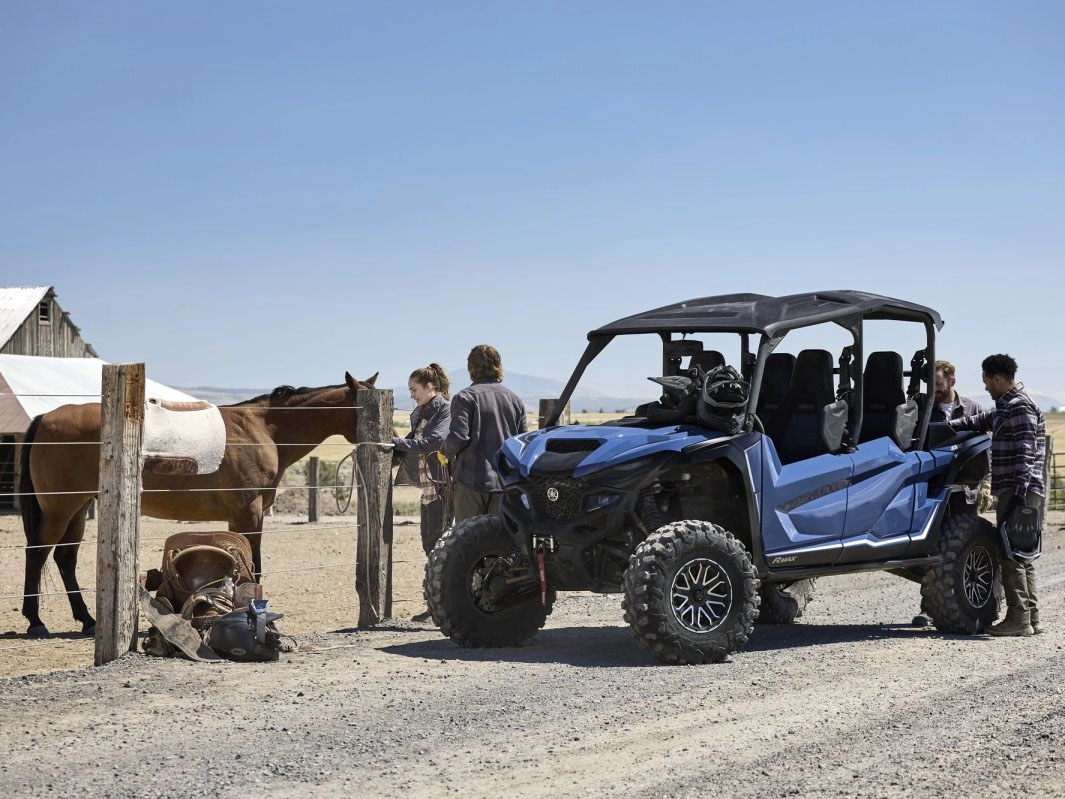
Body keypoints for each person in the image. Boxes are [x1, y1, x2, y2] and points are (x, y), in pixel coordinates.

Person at [945, 354, 1046, 636]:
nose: (986, 388)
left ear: (997, 378)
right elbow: (979, 420)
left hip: (1020, 491)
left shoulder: (1019, 407)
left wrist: (1016, 493)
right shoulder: (1006, 407)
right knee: (1022, 552)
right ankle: (1031, 618)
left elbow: (1027, 452)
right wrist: (944, 428)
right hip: (1020, 489)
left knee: (1010, 554)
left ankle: (1019, 620)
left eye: (987, 382)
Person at [911, 359, 992, 627]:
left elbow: (985, 449)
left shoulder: (972, 409)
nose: (933, 389)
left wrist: (987, 484)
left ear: (952, 381)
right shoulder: (923, 409)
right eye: (930, 384)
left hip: (964, 491)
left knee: (965, 548)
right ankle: (931, 607)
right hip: (934, 489)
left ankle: (975, 600)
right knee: (934, 549)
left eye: (938, 383)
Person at [391, 364, 452, 622]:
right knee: (430, 545)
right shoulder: (420, 413)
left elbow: (433, 442)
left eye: (414, 390)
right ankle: (437, 604)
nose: (412, 395)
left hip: (442, 486)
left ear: (429, 387)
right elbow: (412, 441)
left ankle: (445, 605)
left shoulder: (445, 410)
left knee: (441, 546)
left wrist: (395, 443)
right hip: (428, 488)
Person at [443, 345, 527, 522]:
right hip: (505, 483)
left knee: (468, 542)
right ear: (498, 366)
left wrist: (444, 452)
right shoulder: (515, 400)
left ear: (471, 368)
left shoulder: (464, 397)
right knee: (499, 543)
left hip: (470, 482)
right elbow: (522, 443)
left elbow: (459, 437)